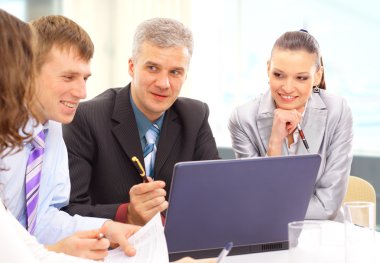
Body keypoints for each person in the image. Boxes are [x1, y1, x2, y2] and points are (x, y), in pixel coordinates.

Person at [0, 14, 140, 259]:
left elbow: (41, 218)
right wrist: (52, 252)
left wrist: (104, 228)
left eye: (84, 78)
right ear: (26, 70)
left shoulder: (51, 128)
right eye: (68, 77)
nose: (82, 92)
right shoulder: (6, 131)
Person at [62, 17, 219, 226]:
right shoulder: (86, 118)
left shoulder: (195, 116)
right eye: (152, 68)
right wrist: (126, 213)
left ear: (185, 75)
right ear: (131, 66)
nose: (163, 84)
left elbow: (217, 194)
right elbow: (69, 210)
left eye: (175, 72)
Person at [228, 30, 353, 221]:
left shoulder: (338, 110)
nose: (287, 88)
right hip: (267, 232)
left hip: (326, 233)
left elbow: (327, 206)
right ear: (268, 69)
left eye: (301, 78)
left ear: (317, 76)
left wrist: (275, 206)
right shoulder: (243, 119)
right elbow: (255, 199)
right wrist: (274, 144)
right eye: (279, 75)